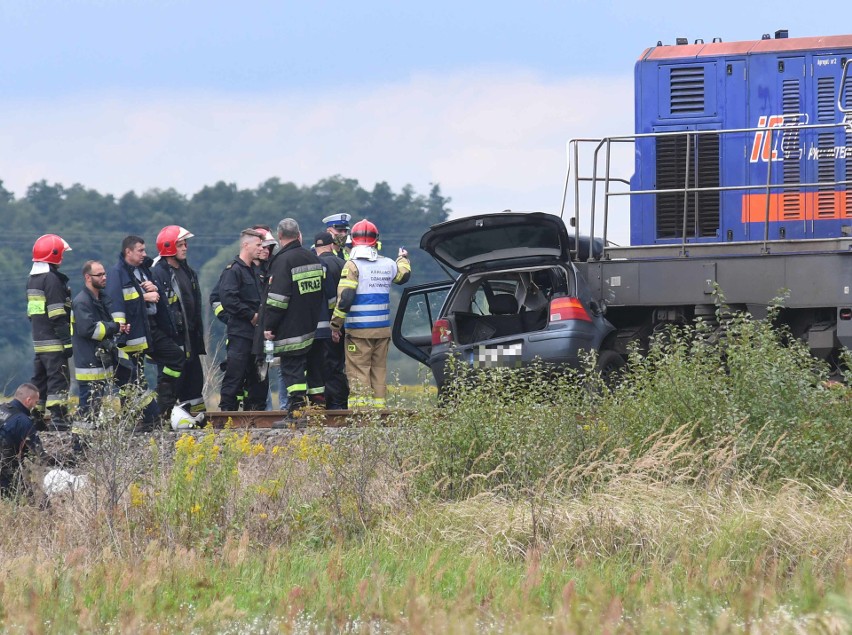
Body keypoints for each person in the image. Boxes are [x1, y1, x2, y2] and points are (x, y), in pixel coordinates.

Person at [105, 235, 185, 428]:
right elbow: (117, 303)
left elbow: (152, 297)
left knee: (176, 357)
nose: (144, 254)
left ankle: (161, 407)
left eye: (144, 250)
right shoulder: (117, 273)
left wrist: (152, 288)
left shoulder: (143, 270)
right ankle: (134, 421)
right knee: (132, 379)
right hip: (132, 333)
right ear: (128, 252)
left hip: (150, 328)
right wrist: (144, 296)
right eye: (140, 250)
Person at [330, 219, 411, 408]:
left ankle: (361, 414)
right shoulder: (388, 264)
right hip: (382, 331)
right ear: (376, 241)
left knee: (358, 371)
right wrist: (403, 258)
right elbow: (403, 276)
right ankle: (379, 412)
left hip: (358, 331)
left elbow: (346, 298)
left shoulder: (352, 266)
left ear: (354, 241)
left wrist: (335, 325)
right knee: (379, 370)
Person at [262, 218, 324, 424]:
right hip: (312, 325)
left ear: (280, 237)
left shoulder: (282, 261)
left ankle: (296, 415)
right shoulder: (312, 257)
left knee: (292, 371)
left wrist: (269, 326)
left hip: (291, 329)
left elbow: (278, 300)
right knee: (314, 371)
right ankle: (316, 413)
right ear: (299, 235)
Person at [152, 225, 207, 417]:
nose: (185, 248)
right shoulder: (159, 273)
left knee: (194, 381)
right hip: (172, 339)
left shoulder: (188, 271)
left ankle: (196, 419)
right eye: (181, 244)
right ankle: (163, 417)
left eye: (185, 244)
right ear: (168, 247)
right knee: (171, 380)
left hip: (190, 337)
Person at [71, 260, 129, 420]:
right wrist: (114, 327)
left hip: (100, 362)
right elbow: (89, 330)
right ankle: (79, 444)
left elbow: (103, 328)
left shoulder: (101, 299)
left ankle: (86, 442)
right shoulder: (82, 302)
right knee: (87, 412)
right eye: (100, 275)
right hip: (89, 365)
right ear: (88, 277)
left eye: (104, 274)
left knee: (94, 410)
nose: (104, 277)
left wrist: (117, 329)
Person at [217, 228, 268, 411]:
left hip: (257, 335)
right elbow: (228, 299)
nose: (261, 248)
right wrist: (251, 315)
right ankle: (226, 416)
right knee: (235, 375)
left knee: (258, 378)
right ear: (246, 245)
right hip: (240, 334)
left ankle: (253, 416)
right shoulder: (234, 271)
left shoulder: (255, 271)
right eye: (258, 245)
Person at [27, 234, 74, 431]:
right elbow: (56, 313)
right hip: (54, 341)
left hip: (39, 340)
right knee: (59, 379)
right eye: (61, 254)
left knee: (41, 381)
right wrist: (67, 341)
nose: (62, 257)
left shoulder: (32, 280)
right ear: (54, 255)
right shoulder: (52, 280)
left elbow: (32, 313)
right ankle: (59, 419)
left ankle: (36, 417)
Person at [311, 231, 349, 409]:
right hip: (343, 323)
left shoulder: (317, 265)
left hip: (322, 326)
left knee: (323, 366)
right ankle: (340, 404)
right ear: (331, 245)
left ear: (316, 247)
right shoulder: (343, 263)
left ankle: (330, 405)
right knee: (338, 365)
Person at [0, 383, 53, 498]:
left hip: (4, 468)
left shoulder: (1, 409)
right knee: (41, 501)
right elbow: (38, 453)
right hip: (6, 474)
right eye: (36, 402)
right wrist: (59, 461)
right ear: (28, 400)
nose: (35, 406)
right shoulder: (24, 422)